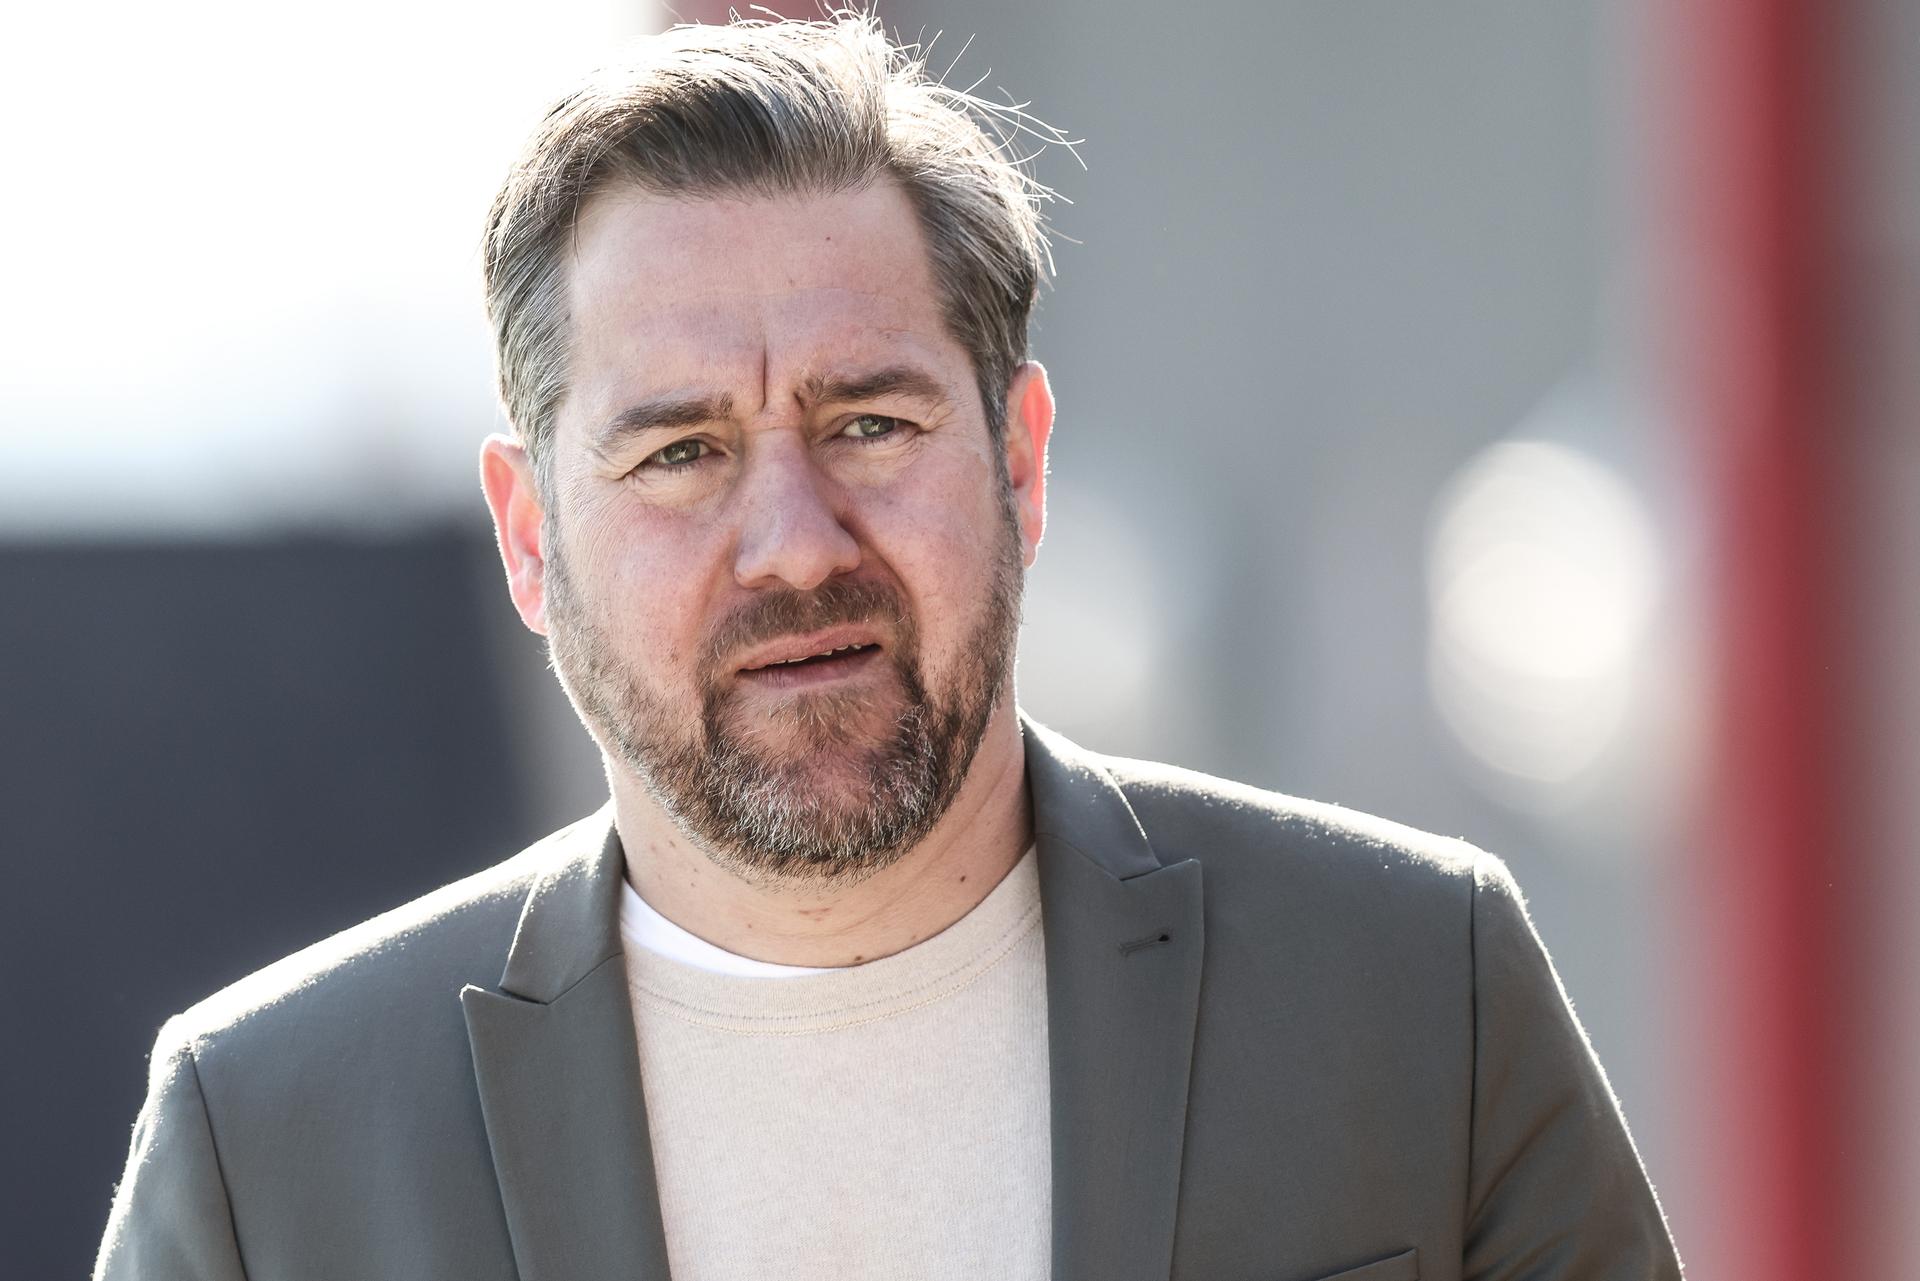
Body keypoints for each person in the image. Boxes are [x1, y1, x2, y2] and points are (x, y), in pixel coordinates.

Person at [95, 15, 1682, 1281]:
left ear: (1022, 460)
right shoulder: (268, 1146)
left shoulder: (1416, 992)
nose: (792, 538)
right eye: (680, 452)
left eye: (868, 420)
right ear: (527, 532)